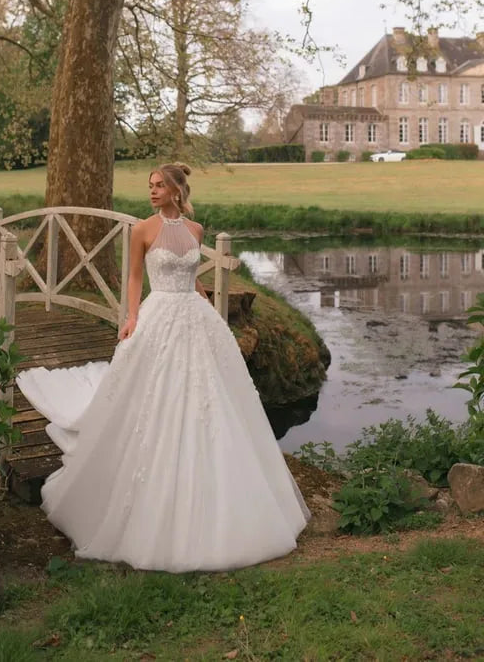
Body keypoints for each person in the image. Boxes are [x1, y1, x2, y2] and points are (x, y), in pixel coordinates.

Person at [16, 163, 310, 572]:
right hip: (160, 314)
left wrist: (208, 303)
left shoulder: (196, 231)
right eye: (150, 186)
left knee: (210, 399)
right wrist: (131, 317)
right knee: (156, 394)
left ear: (176, 190)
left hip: (194, 317)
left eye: (159, 186)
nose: (152, 191)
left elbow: (194, 275)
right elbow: (135, 277)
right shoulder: (142, 229)